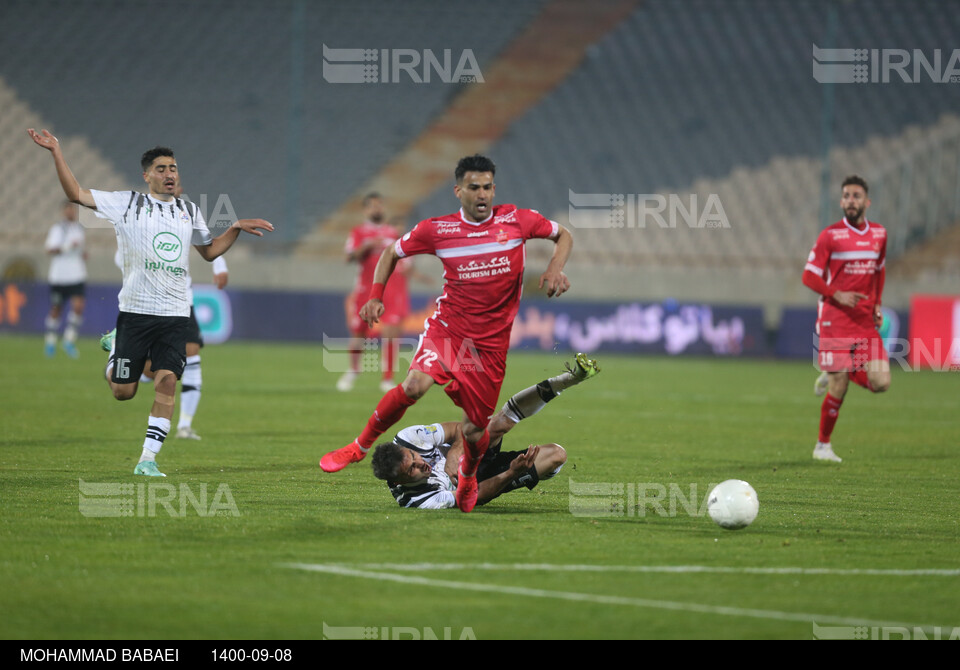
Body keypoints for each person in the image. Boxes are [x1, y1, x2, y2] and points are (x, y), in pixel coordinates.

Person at [320, 154, 574, 514]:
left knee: (474, 431)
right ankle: (359, 447)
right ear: (458, 191)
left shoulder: (517, 220)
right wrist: (375, 295)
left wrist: (554, 267)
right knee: (414, 386)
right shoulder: (438, 230)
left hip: (488, 348)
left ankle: (468, 478)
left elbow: (563, 234)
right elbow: (391, 253)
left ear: (493, 188)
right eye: (474, 187)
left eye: (487, 186)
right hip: (448, 331)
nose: (482, 194)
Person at [28, 128, 273, 477]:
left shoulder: (189, 210)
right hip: (136, 313)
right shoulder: (126, 203)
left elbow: (210, 251)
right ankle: (115, 351)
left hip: (174, 315)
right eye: (161, 168)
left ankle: (148, 459)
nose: (169, 174)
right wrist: (56, 151)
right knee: (123, 392)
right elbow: (76, 194)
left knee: (167, 381)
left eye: (173, 168)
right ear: (146, 175)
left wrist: (233, 228)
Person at [370, 353, 599, 509]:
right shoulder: (418, 500)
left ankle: (570, 378)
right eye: (411, 470)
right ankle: (538, 471)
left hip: (470, 454)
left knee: (496, 425)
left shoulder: (409, 438)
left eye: (414, 458)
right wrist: (512, 473)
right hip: (481, 480)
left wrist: (453, 456)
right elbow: (475, 496)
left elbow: (459, 428)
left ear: (407, 450)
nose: (420, 464)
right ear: (399, 482)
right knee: (558, 456)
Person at [102, 183, 229, 441]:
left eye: (177, 179)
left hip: (181, 303)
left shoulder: (185, 215)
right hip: (148, 306)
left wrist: (220, 265)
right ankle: (119, 348)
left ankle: (184, 425)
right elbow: (124, 258)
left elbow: (208, 244)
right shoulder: (140, 219)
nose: (175, 186)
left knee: (189, 356)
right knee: (134, 384)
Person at [802, 175, 889, 463]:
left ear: (867, 201)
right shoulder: (830, 235)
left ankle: (834, 370)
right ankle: (822, 446)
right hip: (835, 317)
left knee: (881, 382)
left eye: (856, 196)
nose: (851, 201)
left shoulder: (879, 234)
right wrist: (836, 294)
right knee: (840, 384)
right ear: (841, 201)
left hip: (864, 319)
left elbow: (879, 270)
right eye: (846, 196)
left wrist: (877, 302)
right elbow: (808, 275)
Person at [337, 193, 409, 393]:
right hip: (365, 288)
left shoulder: (392, 232)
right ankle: (353, 369)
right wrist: (366, 246)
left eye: (380, 205)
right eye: (373, 206)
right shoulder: (359, 232)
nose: (377, 209)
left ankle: (387, 378)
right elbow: (349, 257)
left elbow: (403, 258)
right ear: (366, 210)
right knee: (358, 332)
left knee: (392, 333)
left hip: (391, 288)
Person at [43, 200, 86, 358]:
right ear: (64, 211)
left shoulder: (79, 228)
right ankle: (50, 341)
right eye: (69, 209)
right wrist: (67, 247)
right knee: (56, 309)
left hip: (76, 274)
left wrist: (82, 254)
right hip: (59, 276)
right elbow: (50, 249)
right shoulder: (58, 229)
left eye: (73, 209)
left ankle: (68, 340)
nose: (71, 212)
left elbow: (80, 248)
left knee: (78, 307)